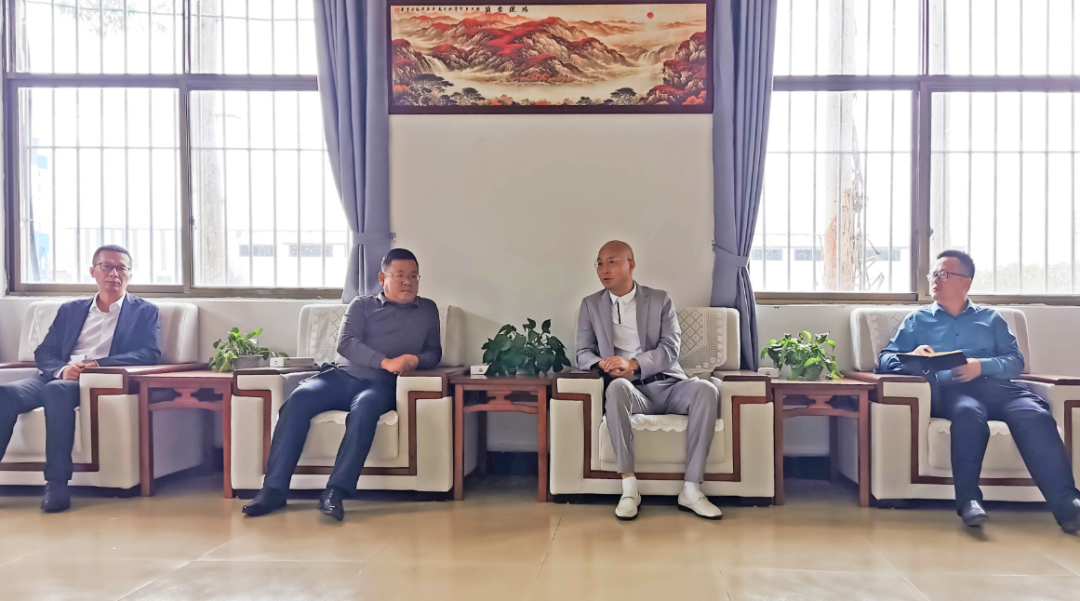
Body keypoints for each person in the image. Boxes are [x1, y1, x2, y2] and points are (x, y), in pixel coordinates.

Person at [879, 250, 1080, 531]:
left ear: (966, 282)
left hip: (999, 388)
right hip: (953, 392)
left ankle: (1068, 505)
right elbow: (884, 359)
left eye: (944, 274)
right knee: (968, 415)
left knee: (1036, 415)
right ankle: (969, 501)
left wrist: (981, 366)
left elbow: (1015, 361)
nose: (935, 279)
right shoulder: (917, 321)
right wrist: (913, 356)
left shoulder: (991, 318)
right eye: (933, 274)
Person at [243, 248, 441, 521]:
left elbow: (434, 352)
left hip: (380, 386)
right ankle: (273, 490)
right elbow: (346, 343)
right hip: (339, 378)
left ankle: (335, 492)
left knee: (366, 407)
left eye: (413, 276)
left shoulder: (427, 309)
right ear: (382, 278)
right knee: (299, 399)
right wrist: (385, 361)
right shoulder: (362, 305)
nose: (407, 281)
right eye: (400, 275)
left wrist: (413, 360)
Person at [0, 245, 161, 513]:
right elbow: (44, 351)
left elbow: (149, 353)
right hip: (58, 375)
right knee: (6, 393)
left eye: (121, 268)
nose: (114, 273)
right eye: (107, 266)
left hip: (95, 382)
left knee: (57, 391)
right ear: (93, 271)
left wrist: (97, 365)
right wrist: (63, 369)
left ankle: (56, 484)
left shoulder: (145, 311)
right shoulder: (71, 310)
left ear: (130, 275)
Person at [576, 241, 722, 521]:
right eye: (599, 263)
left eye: (612, 262)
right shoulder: (590, 305)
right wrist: (603, 363)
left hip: (670, 386)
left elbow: (670, 348)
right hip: (630, 390)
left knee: (705, 389)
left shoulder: (659, 300)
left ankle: (691, 489)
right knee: (616, 388)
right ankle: (629, 488)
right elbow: (582, 352)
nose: (604, 269)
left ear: (630, 264)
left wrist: (633, 363)